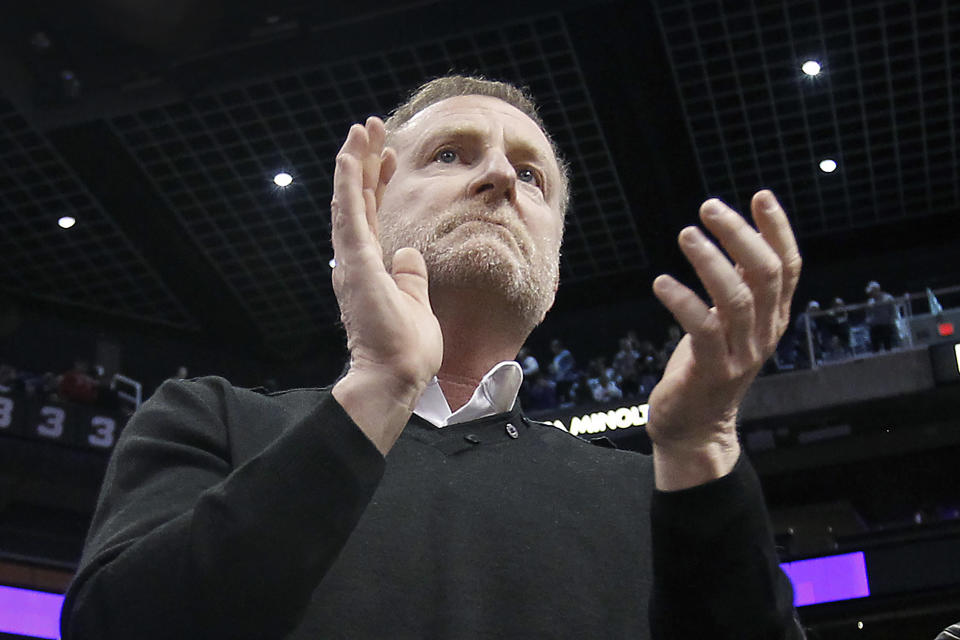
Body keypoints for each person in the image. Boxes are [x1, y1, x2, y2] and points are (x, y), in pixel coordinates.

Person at [61, 76, 805, 638]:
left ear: (553, 258)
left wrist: (702, 447)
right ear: (367, 208)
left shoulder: (658, 496)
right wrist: (380, 388)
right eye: (451, 154)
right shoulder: (211, 420)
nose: (500, 179)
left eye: (533, 175)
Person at [865, 280, 899, 352]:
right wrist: (869, 321)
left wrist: (891, 322)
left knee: (888, 347)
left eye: (872, 291)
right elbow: (868, 314)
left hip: (886, 326)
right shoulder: (870, 301)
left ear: (877, 290)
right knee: (875, 349)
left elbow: (893, 310)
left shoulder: (888, 298)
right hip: (874, 327)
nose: (871, 293)